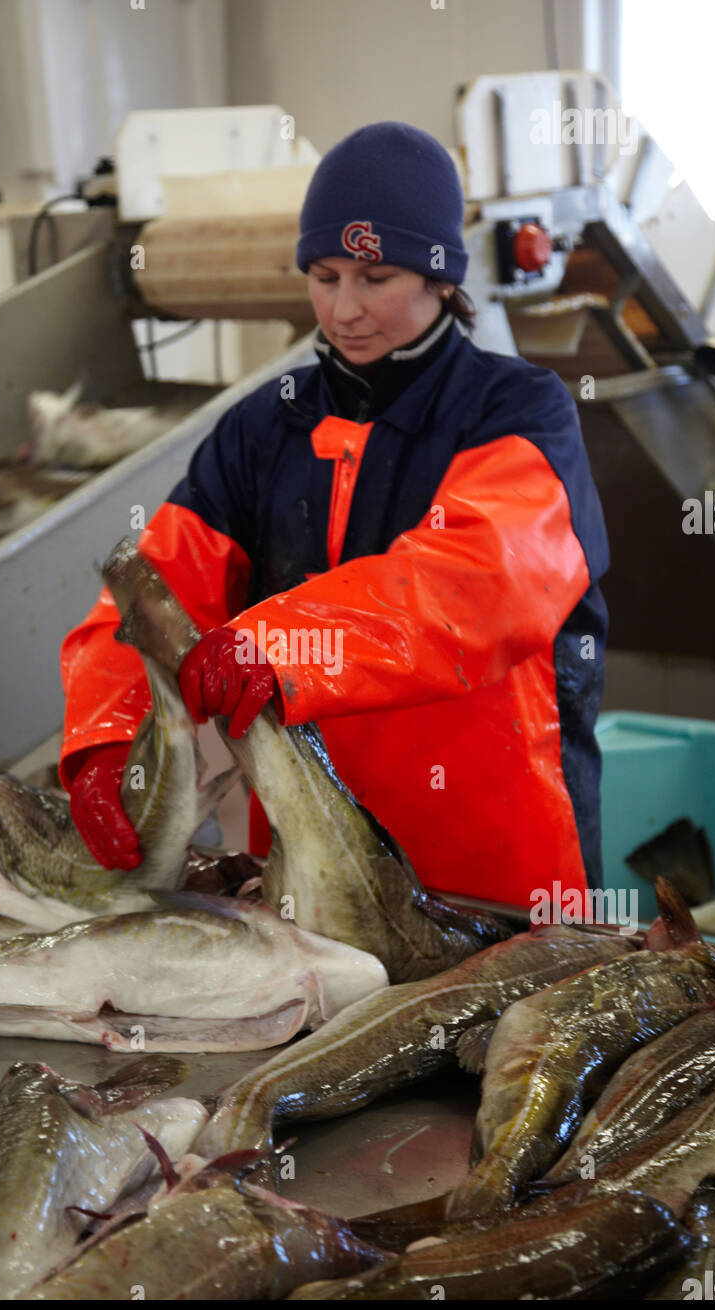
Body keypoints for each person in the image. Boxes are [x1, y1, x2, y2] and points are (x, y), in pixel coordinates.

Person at [59, 121, 609, 907]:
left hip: (499, 883)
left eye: (375, 276)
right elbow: (150, 595)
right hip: (310, 884)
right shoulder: (262, 427)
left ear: (442, 279)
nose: (343, 309)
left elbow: (477, 585)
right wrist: (107, 742)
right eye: (323, 276)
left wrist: (274, 645)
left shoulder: (518, 410)